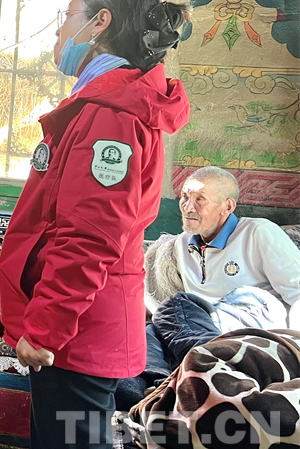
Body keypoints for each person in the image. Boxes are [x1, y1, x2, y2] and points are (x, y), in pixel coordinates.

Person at [0, 0, 190, 449]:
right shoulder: (106, 103)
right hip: (76, 327)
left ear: (100, 23)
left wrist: (45, 328)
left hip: (76, 334)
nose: (59, 31)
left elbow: (91, 236)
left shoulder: (112, 116)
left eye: (66, 17)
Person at [123, 166, 300, 404]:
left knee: (176, 305)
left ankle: (213, 370)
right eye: (184, 197)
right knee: (147, 333)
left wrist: (294, 347)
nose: (188, 207)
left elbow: (297, 291)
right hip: (201, 323)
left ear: (227, 207)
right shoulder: (181, 244)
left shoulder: (258, 232)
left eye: (200, 199)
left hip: (254, 318)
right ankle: (153, 390)